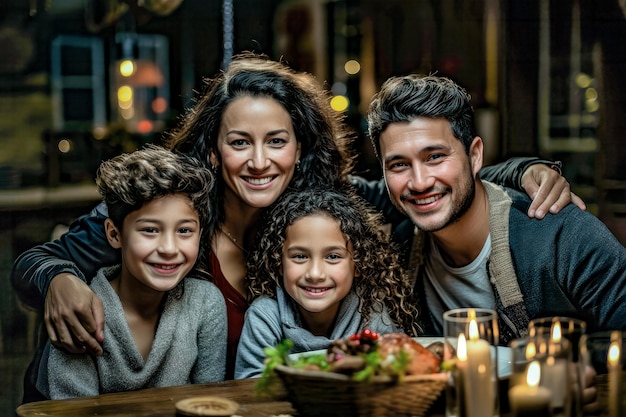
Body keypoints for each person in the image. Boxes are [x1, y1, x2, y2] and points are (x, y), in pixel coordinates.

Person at [11, 52, 579, 391]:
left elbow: (425, 183)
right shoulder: (173, 207)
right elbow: (39, 259)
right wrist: (56, 279)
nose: (259, 162)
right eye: (239, 143)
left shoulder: (325, 206)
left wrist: (522, 169)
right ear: (214, 151)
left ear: (299, 148)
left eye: (276, 142)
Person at [365, 73, 626, 345]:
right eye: (399, 165)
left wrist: (571, 363)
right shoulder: (396, 252)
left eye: (435, 157)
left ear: (475, 155)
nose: (419, 182)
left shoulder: (562, 237)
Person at [35, 145, 227, 399]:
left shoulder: (205, 303)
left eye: (184, 231)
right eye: (149, 230)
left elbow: (209, 403)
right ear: (114, 234)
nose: (169, 248)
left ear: (200, 234)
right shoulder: (80, 311)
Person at [235, 187, 420, 379]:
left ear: (358, 264)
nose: (315, 274)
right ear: (279, 263)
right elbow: (251, 387)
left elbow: (395, 379)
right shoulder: (265, 315)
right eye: (299, 256)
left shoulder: (373, 316)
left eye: (332, 256)